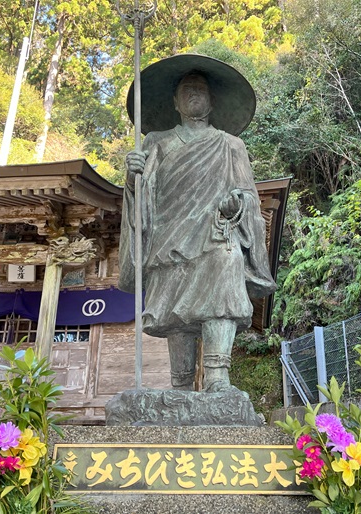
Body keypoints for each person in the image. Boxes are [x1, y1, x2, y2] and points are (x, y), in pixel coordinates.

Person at [119, 54, 276, 393]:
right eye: (186, 90)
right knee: (176, 312)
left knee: (225, 275)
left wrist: (237, 203)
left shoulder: (231, 145)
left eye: (200, 89)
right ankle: (180, 383)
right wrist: (133, 178)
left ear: (212, 101)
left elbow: (249, 195)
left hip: (216, 233)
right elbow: (144, 195)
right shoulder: (157, 142)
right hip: (170, 236)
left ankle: (218, 375)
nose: (194, 94)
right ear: (175, 102)